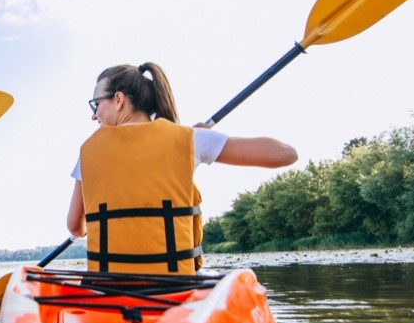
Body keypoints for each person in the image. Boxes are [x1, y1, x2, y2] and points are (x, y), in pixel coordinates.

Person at [67, 63, 297, 275]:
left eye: (96, 104)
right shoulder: (190, 139)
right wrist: (205, 138)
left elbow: (75, 227)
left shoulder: (87, 153)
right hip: (176, 286)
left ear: (118, 99)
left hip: (109, 288)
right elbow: (286, 154)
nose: (94, 115)